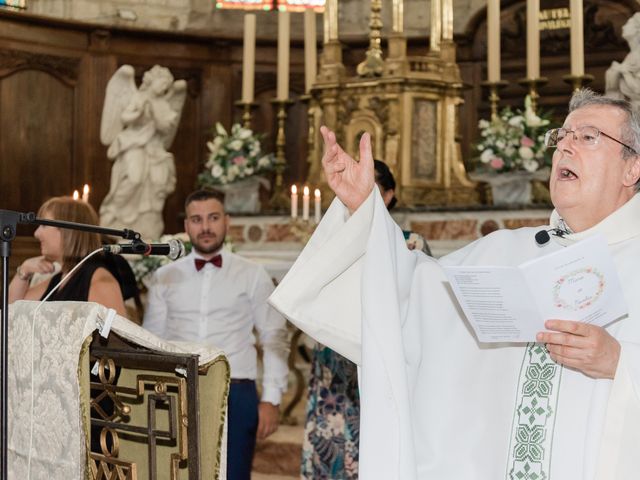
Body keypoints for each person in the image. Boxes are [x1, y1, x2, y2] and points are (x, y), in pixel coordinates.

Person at [270, 89, 640, 480]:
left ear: (632, 168)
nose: (565, 147)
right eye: (561, 136)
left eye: (587, 137)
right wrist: (366, 213)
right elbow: (408, 300)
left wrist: (620, 362)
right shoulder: (501, 252)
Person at [143, 189, 289, 480]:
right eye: (196, 219)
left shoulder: (253, 274)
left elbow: (274, 337)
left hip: (235, 389)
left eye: (213, 218)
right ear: (186, 227)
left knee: (233, 474)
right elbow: (152, 341)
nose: (205, 227)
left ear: (227, 221)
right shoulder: (165, 276)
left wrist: (271, 399)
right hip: (177, 389)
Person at [300, 159, 431, 479]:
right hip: (334, 376)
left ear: (388, 195)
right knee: (329, 458)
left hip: (384, 372)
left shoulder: (411, 244)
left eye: (370, 188)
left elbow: (425, 311)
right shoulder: (330, 244)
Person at [8, 196, 129, 454]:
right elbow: (15, 310)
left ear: (68, 230)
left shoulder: (99, 277)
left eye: (44, 224)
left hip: (85, 406)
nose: (37, 232)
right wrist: (24, 272)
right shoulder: (57, 279)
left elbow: (118, 343)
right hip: (52, 406)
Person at [99, 64, 187, 240]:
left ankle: (145, 225)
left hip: (154, 149)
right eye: (161, 83)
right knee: (134, 178)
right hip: (134, 145)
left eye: (166, 86)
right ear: (151, 82)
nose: (164, 88)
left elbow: (166, 129)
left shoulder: (164, 104)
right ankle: (114, 213)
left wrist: (154, 111)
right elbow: (124, 117)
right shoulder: (138, 97)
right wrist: (138, 112)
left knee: (155, 186)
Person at [606, 12, 640, 109]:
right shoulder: (631, 55)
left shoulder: (637, 55)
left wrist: (623, 71)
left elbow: (637, 89)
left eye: (629, 23)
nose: (624, 26)